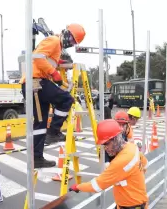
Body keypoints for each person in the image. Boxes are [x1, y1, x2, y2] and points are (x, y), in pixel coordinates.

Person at [20, 23, 86, 168]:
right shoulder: (54, 40)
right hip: (36, 82)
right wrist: (54, 72)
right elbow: (37, 57)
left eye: (74, 43)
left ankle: (36, 158)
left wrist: (57, 63)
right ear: (66, 34)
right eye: (72, 40)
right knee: (66, 99)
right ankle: (54, 131)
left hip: (34, 85)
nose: (71, 43)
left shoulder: (57, 47)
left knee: (40, 124)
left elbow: (45, 58)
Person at [69, 119, 148, 209]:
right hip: (132, 203)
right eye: (103, 145)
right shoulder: (132, 147)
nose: (105, 148)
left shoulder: (120, 162)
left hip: (131, 206)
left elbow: (97, 186)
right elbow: (145, 163)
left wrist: (78, 187)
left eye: (106, 143)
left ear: (116, 139)